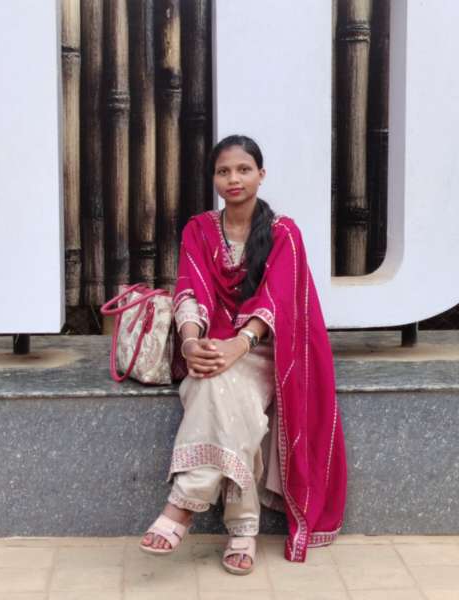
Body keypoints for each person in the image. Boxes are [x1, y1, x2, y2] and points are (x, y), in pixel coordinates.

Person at [140, 134, 348, 574]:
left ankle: (183, 505)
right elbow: (190, 290)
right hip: (212, 346)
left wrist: (239, 344)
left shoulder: (282, 233)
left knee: (218, 387)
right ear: (214, 179)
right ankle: (243, 529)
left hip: (267, 351)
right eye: (223, 171)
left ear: (260, 175)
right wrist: (192, 343)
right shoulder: (198, 229)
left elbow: (278, 302)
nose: (233, 179)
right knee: (224, 395)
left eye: (243, 169)